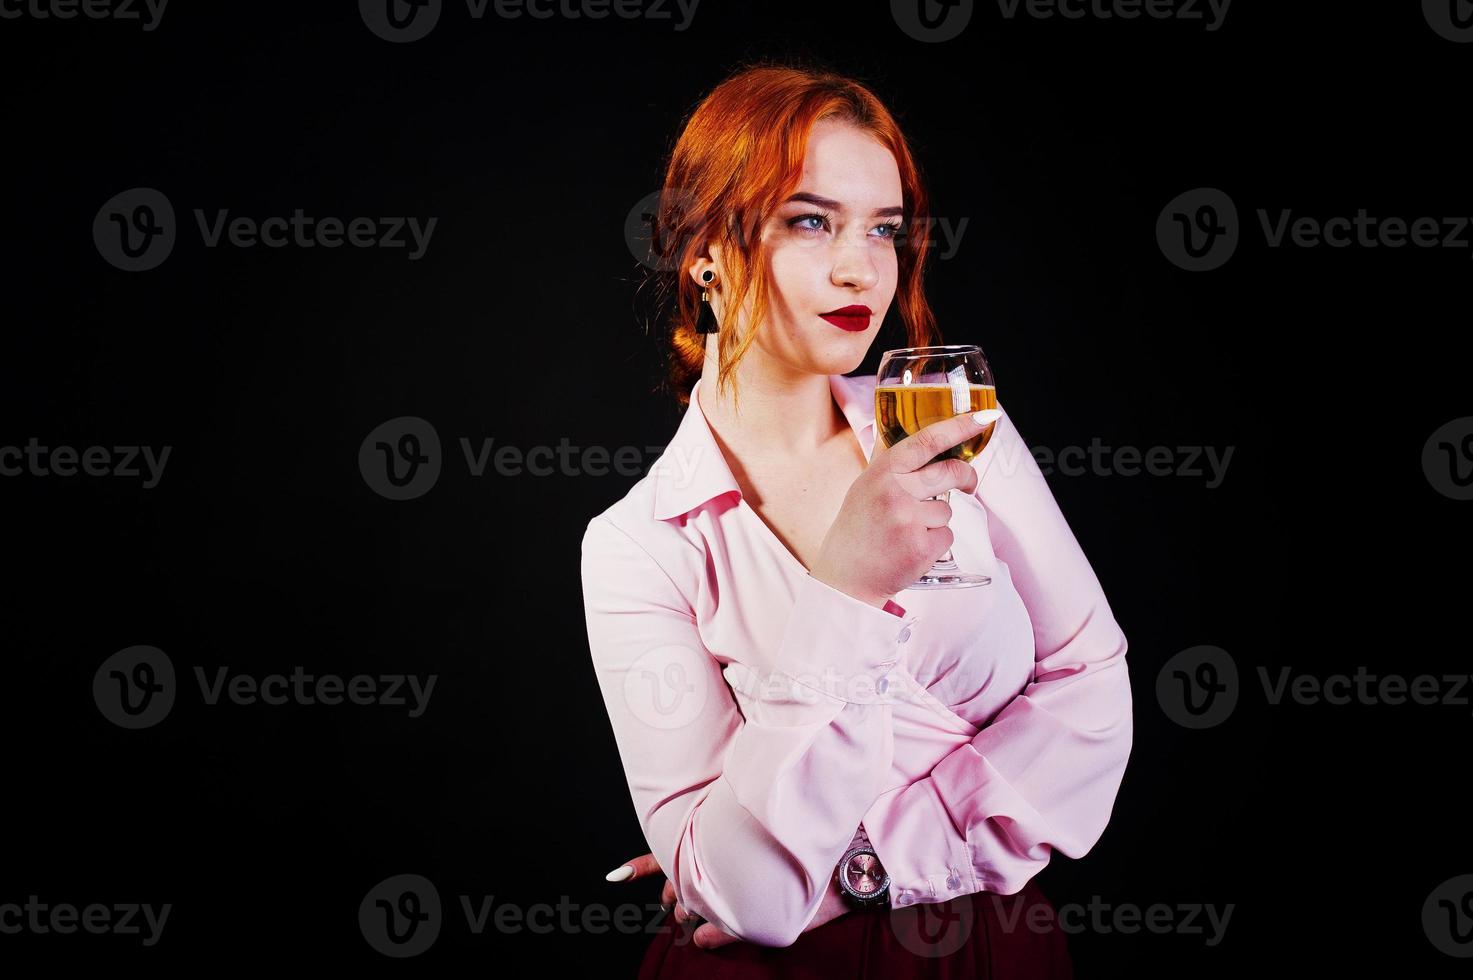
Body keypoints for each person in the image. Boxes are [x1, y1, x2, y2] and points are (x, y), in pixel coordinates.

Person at [581, 61, 1133, 977]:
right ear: (702, 254)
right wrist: (842, 588)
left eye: (883, 229)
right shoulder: (641, 545)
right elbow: (743, 901)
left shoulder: (950, 425)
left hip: (991, 953)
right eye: (810, 221)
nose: (860, 266)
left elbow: (1093, 690)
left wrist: (861, 872)